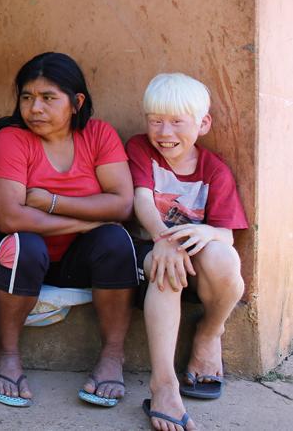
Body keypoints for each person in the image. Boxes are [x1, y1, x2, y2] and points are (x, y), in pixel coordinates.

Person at [0, 52, 136, 408]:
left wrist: (51, 201)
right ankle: (6, 352)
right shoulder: (11, 138)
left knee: (116, 239)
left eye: (48, 98)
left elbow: (121, 204)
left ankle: (113, 356)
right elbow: (9, 217)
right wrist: (89, 219)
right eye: (27, 97)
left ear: (76, 102)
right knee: (23, 244)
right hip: (28, 260)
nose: (34, 108)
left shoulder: (99, 135)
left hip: (79, 261)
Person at [129, 73, 246, 431]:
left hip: (198, 265)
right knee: (168, 267)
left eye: (177, 122)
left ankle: (210, 333)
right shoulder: (140, 149)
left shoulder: (215, 170)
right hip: (150, 252)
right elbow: (142, 199)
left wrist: (206, 231)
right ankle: (163, 385)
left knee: (224, 257)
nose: (165, 133)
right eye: (156, 121)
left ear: (203, 123)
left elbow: (226, 235)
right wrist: (164, 238)